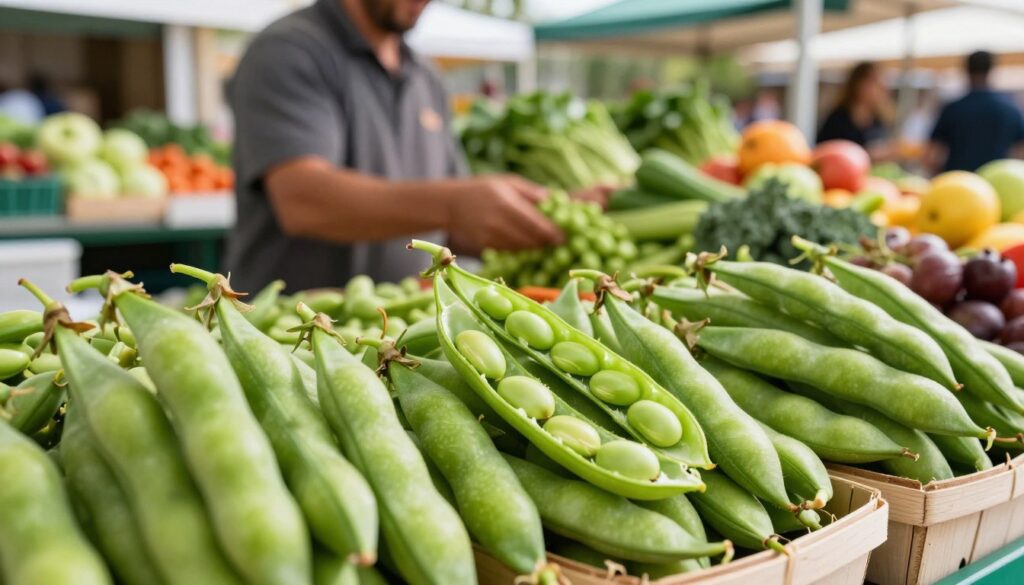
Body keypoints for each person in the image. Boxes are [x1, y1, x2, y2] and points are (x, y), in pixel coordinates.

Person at [224, 0, 564, 292]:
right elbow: (302, 198)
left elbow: (454, 228)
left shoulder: (425, 76)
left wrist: (546, 215)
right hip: (289, 341)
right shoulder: (289, 50)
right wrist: (454, 204)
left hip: (395, 338)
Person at [927, 51, 1024, 172]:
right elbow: (1020, 150)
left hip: (959, 182)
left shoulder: (953, 109)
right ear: (991, 70)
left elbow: (933, 153)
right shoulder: (1010, 108)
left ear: (966, 70)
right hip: (996, 183)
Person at [817, 62, 891, 153]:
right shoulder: (838, 120)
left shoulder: (878, 121)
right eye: (874, 82)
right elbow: (825, 152)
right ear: (858, 84)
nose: (882, 87)